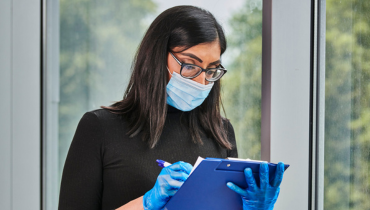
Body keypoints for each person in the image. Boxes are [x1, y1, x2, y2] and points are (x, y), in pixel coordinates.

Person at [58, 5, 285, 210]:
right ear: (156, 57)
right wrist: (146, 203)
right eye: (190, 65)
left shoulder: (220, 133)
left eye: (211, 70)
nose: (200, 81)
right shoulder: (100, 128)